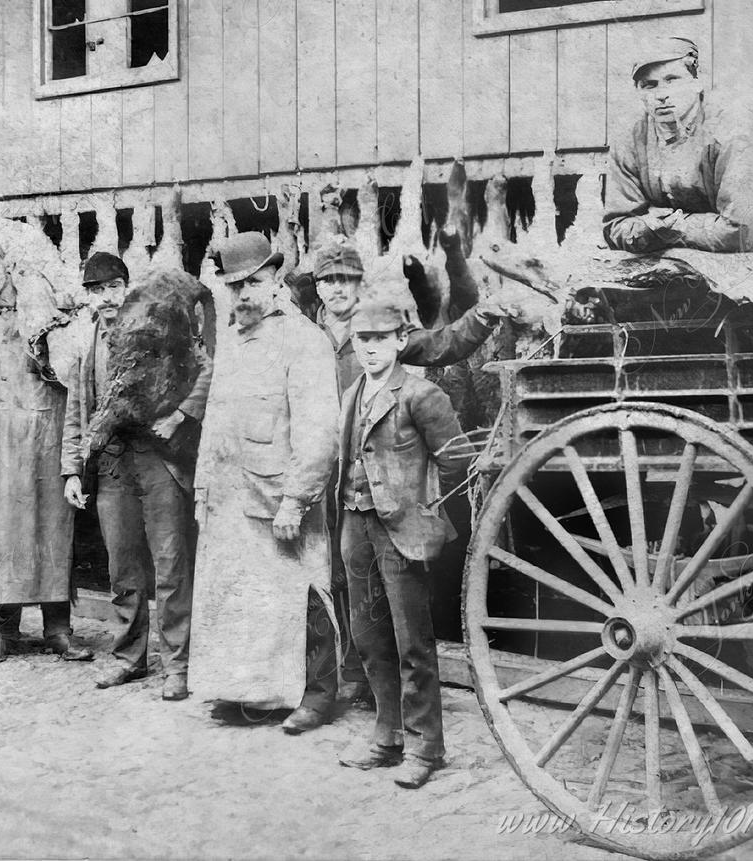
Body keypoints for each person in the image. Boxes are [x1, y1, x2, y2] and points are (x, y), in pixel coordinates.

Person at [311, 239, 512, 707]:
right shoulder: (306, 334)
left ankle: (369, 686)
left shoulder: (380, 332)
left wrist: (483, 316)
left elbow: (445, 344)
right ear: (317, 288)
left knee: (384, 588)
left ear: (359, 283)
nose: (336, 289)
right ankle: (339, 681)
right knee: (332, 576)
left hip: (381, 479)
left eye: (345, 279)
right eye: (327, 280)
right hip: (328, 471)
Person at [188, 232, 340, 733]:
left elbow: (319, 432)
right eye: (234, 288)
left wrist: (297, 499)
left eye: (253, 282)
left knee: (304, 592)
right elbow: (215, 421)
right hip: (232, 496)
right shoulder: (231, 340)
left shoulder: (305, 342)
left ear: (276, 279)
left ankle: (318, 695)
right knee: (241, 596)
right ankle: (248, 691)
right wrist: (204, 487)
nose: (244, 295)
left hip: (279, 496)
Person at [61, 252, 212, 699]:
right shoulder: (86, 344)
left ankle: (176, 666)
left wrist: (182, 415)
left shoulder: (159, 325)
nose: (104, 298)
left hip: (157, 458)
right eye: (94, 291)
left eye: (110, 288)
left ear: (126, 288)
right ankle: (129, 658)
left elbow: (205, 368)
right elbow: (77, 410)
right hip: (111, 465)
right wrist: (72, 469)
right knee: (123, 568)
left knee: (170, 563)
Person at [335, 300, 466, 789]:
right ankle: (385, 736)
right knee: (369, 638)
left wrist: (424, 513)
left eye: (380, 338)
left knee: (414, 643)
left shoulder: (422, 394)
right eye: (361, 338)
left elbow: (457, 465)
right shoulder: (352, 393)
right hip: (356, 525)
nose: (369, 347)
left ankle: (425, 747)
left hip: (401, 534)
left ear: (399, 340)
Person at [0, 238, 92, 665]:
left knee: (53, 529)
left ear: (7, 263)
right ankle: (5, 633)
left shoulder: (43, 308)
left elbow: (73, 368)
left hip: (48, 434)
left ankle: (58, 630)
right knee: (1, 533)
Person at [604, 36, 753, 255]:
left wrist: (669, 226)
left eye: (672, 79)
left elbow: (745, 235)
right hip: (679, 264)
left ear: (697, 83)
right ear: (638, 92)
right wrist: (647, 230)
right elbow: (616, 226)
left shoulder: (737, 128)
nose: (661, 94)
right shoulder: (630, 138)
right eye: (649, 85)